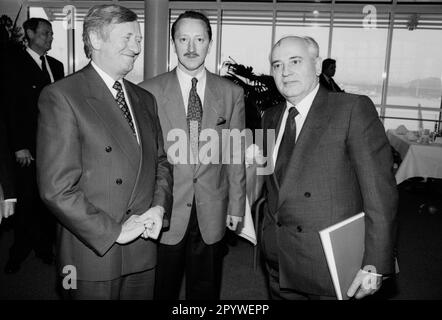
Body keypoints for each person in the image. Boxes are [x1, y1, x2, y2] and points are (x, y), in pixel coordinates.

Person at [36, 4, 173, 300]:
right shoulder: (62, 96)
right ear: (96, 39)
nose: (137, 47)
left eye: (138, 39)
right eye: (128, 37)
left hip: (142, 246)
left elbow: (161, 163)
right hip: (92, 250)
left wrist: (159, 208)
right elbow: (56, 189)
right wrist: (114, 232)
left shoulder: (144, 98)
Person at [260, 36, 397, 300]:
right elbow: (271, 184)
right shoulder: (270, 117)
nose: (285, 72)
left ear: (317, 64)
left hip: (328, 267)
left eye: (295, 61)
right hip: (278, 260)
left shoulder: (351, 109)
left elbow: (380, 193)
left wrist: (376, 264)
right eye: (277, 65)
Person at [139, 10, 246, 300]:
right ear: (173, 43)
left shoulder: (231, 93)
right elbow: (144, 157)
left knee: (206, 289)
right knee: (162, 288)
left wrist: (236, 206)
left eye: (199, 39)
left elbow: (234, 154)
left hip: (212, 206)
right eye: (183, 39)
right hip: (165, 208)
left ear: (209, 43)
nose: (191, 47)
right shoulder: (147, 92)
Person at [4, 17, 64, 274]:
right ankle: (18, 251)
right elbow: (10, 107)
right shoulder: (12, 63)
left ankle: (43, 247)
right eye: (45, 33)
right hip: (26, 148)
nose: (50, 38)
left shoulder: (57, 66)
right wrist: (19, 145)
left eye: (51, 34)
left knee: (47, 200)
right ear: (29, 33)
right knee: (26, 199)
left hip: (53, 147)